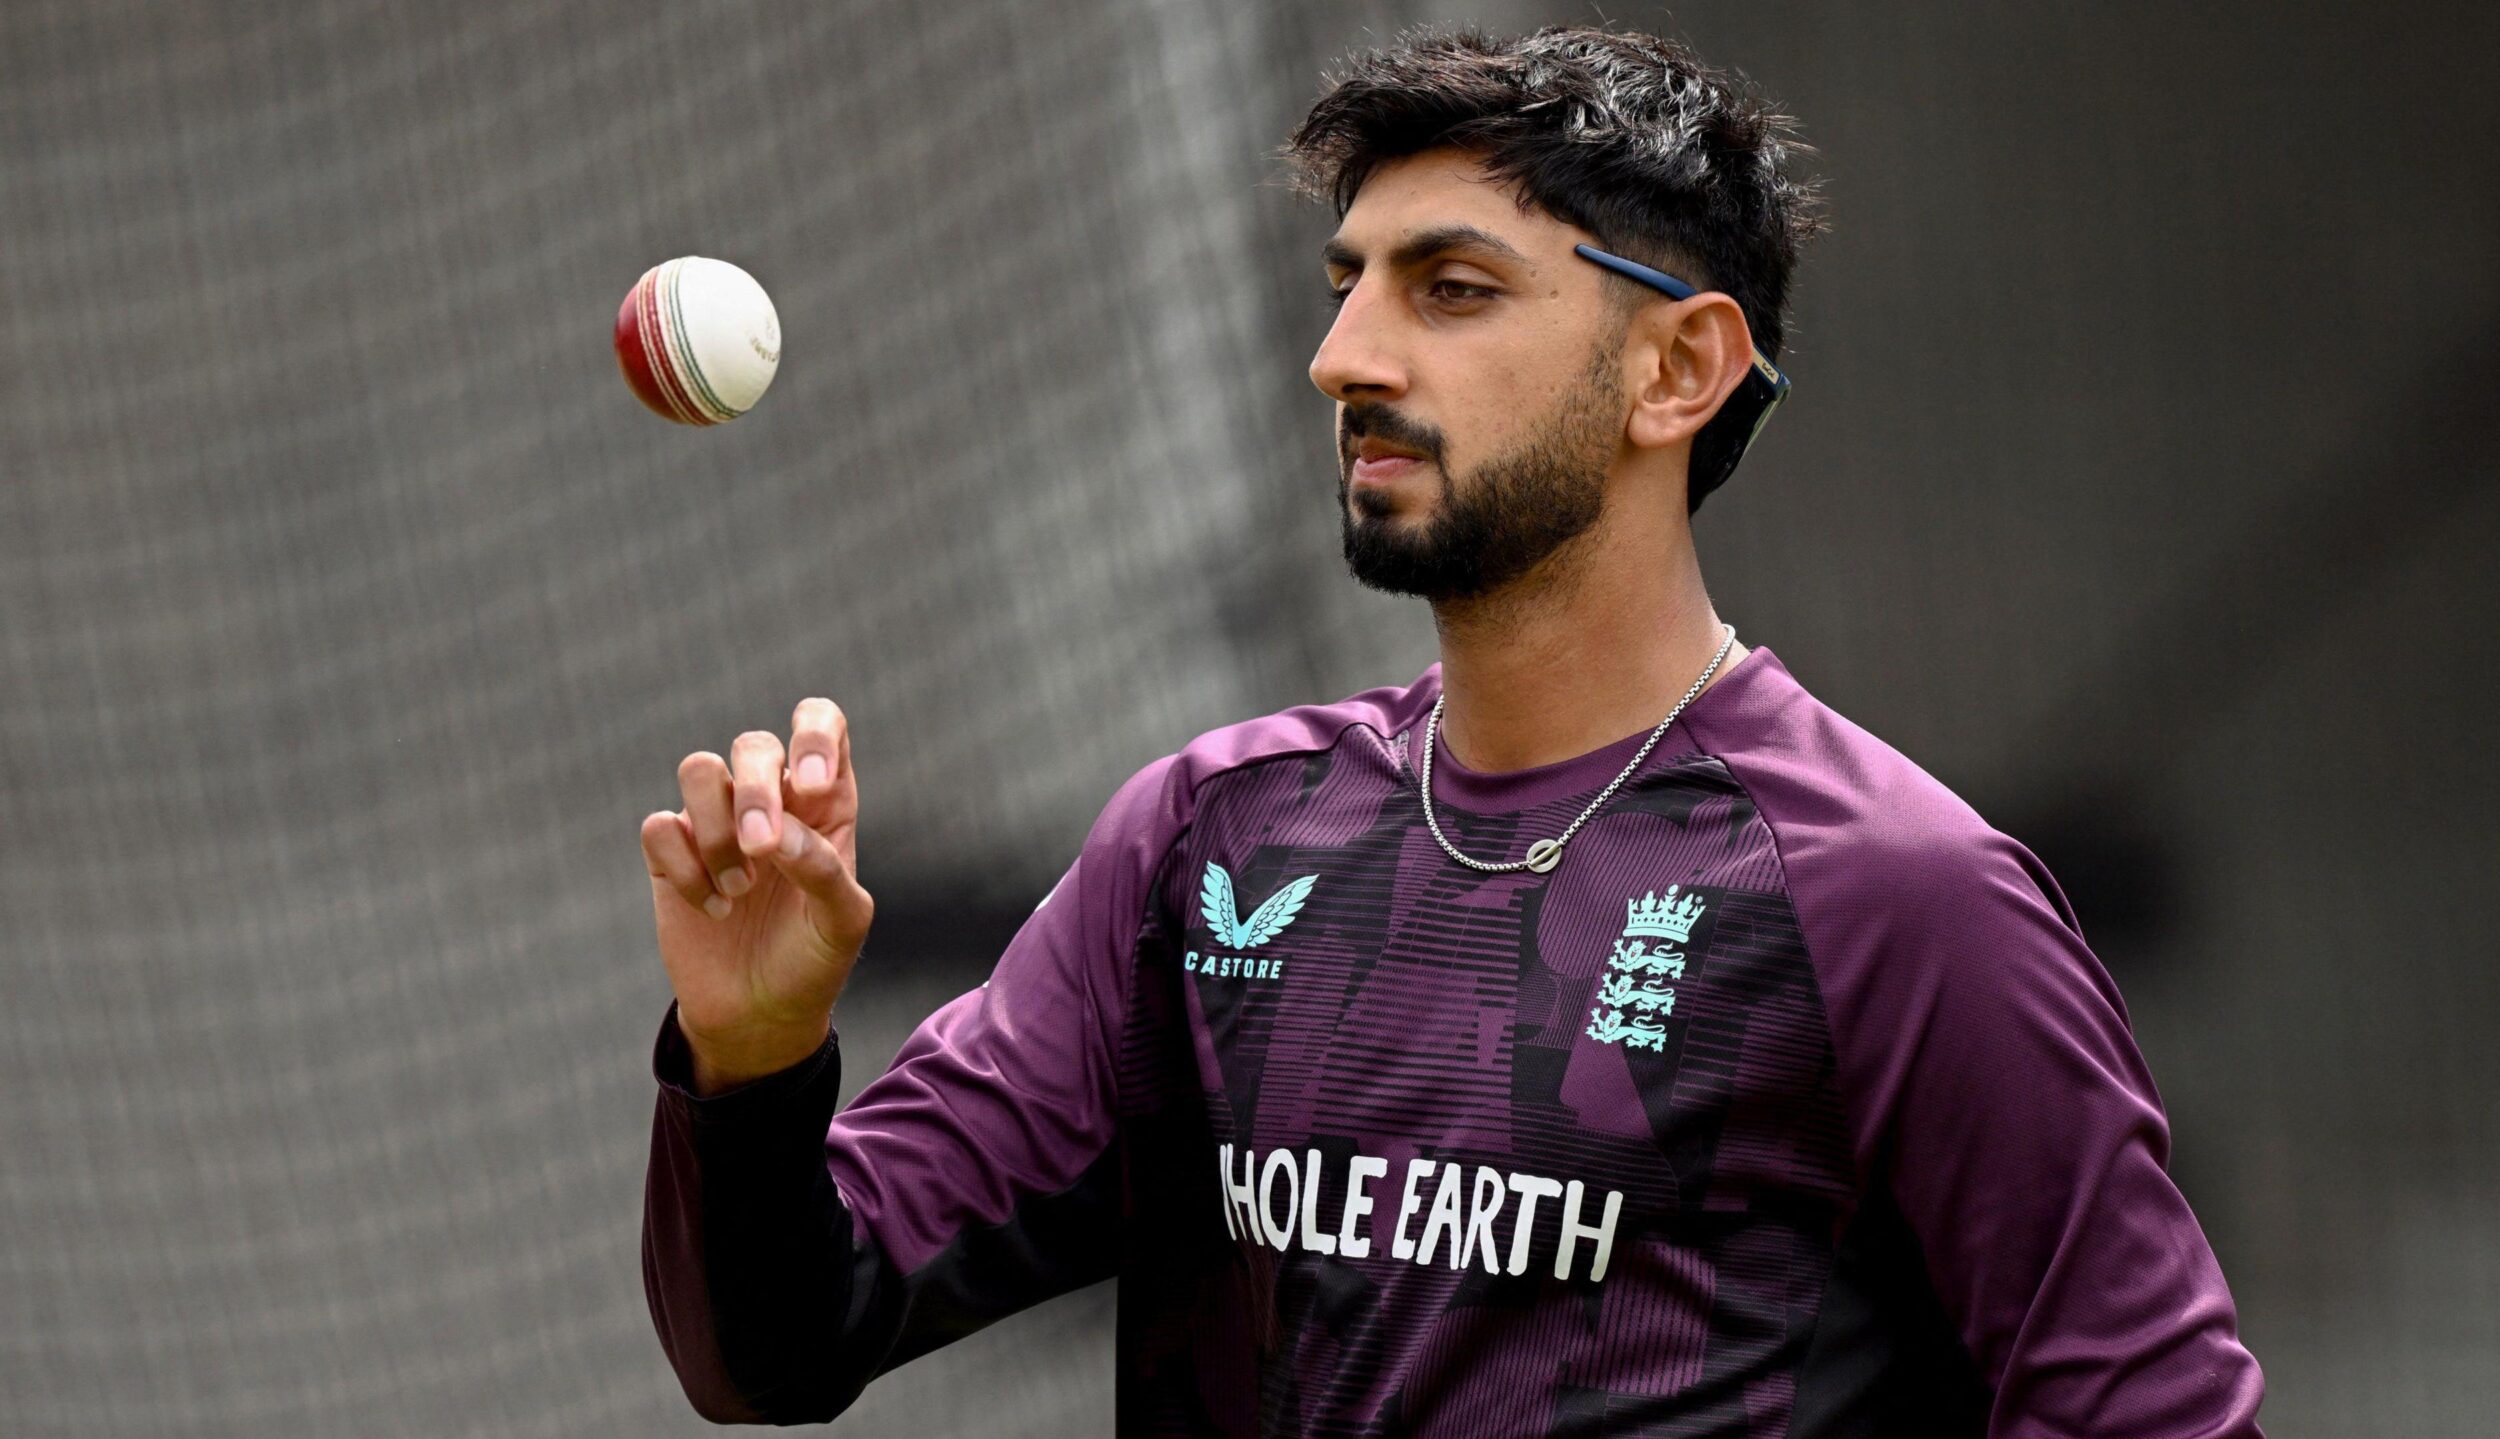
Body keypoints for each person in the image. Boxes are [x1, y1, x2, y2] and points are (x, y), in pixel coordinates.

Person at [635, 23, 2267, 1436]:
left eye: (1454, 289)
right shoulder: (1208, 840)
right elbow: (776, 1343)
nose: (1343, 358)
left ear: (1679, 368)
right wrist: (750, 1055)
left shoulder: (1901, 898)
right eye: (1346, 285)